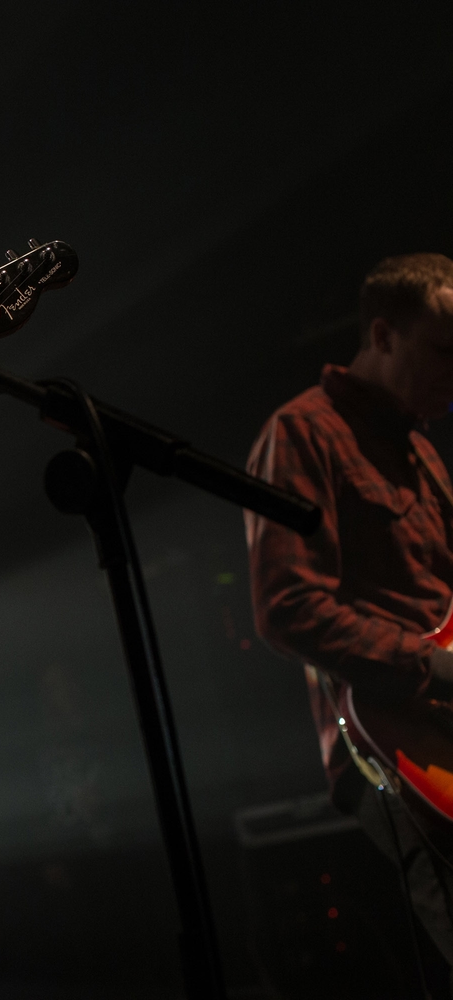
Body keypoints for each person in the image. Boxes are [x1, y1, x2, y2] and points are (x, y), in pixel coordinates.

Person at [246, 252, 453, 989]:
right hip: (393, 746)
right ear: (383, 335)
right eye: (442, 350)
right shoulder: (302, 433)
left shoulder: (423, 456)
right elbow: (287, 607)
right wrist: (429, 666)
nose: (452, 372)